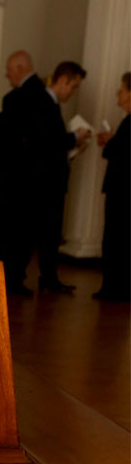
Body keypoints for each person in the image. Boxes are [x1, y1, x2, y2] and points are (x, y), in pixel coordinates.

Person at [0, 52, 90, 296]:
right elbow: (42, 141)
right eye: (73, 86)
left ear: (19, 68)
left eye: (9, 69)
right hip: (31, 178)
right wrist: (73, 139)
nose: (6, 74)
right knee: (27, 232)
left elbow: (37, 141)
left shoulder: (24, 96)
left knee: (23, 231)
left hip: (23, 177)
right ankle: (18, 278)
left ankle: (19, 277)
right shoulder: (37, 97)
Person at [94, 71, 130, 303]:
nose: (118, 92)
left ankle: (114, 288)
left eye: (122, 88)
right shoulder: (127, 121)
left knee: (116, 239)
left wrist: (111, 143)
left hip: (122, 191)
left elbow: (120, 153)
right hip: (122, 190)